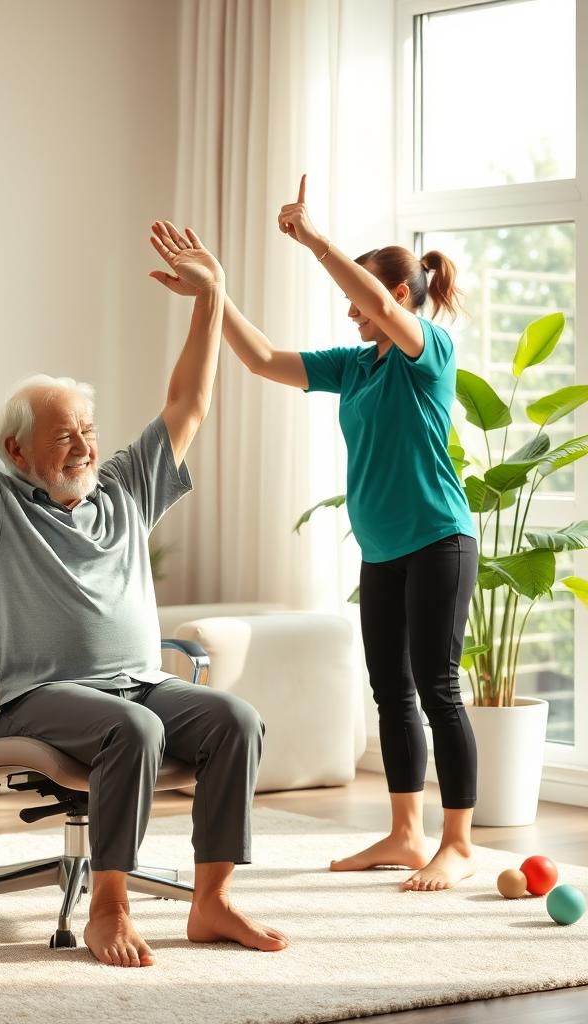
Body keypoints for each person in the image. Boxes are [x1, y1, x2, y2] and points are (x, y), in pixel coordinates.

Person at [0, 190, 290, 966]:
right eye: (65, 436)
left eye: (89, 432)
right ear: (17, 451)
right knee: (133, 730)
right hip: (39, 697)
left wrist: (214, 296)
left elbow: (189, 400)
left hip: (137, 679)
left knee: (236, 720)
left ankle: (212, 901)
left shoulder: (126, 490)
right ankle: (109, 907)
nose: (84, 447)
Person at [149, 176, 478, 893]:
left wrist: (314, 239)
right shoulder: (357, 367)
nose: (349, 308)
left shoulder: (431, 353)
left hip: (439, 540)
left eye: (359, 294)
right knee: (390, 690)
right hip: (384, 549)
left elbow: (388, 307)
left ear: (388, 292)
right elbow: (263, 359)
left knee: (437, 687)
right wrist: (213, 294)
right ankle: (404, 832)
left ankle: (456, 842)